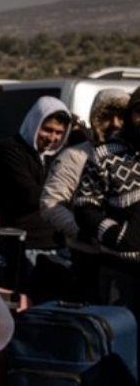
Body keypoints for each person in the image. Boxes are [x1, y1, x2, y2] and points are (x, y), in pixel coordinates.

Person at [41, 88, 131, 303]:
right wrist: (84, 232)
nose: (115, 124)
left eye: (121, 117)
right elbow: (50, 203)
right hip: (89, 260)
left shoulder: (132, 156)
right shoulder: (75, 157)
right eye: (107, 117)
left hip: (127, 262)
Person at [73, 90, 140, 311]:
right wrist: (116, 236)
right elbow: (85, 206)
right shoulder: (105, 155)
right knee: (121, 339)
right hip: (120, 270)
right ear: (130, 115)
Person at [0, 96, 73, 252]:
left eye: (59, 132)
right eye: (47, 130)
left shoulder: (52, 156)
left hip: (54, 241)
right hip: (23, 244)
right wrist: (66, 196)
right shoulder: (10, 151)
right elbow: (30, 195)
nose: (52, 138)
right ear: (35, 124)